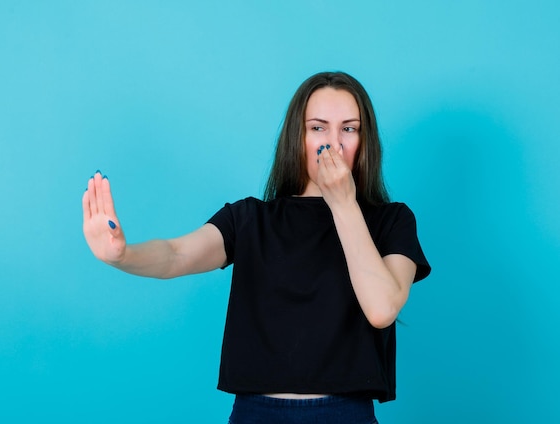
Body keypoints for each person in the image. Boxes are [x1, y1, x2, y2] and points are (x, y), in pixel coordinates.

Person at [82, 71, 431, 423]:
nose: (334, 143)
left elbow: (382, 308)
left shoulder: (392, 221)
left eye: (349, 128)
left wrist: (343, 204)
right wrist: (123, 255)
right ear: (297, 136)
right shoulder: (249, 218)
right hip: (257, 413)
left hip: (346, 413)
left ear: (364, 140)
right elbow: (176, 255)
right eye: (318, 128)